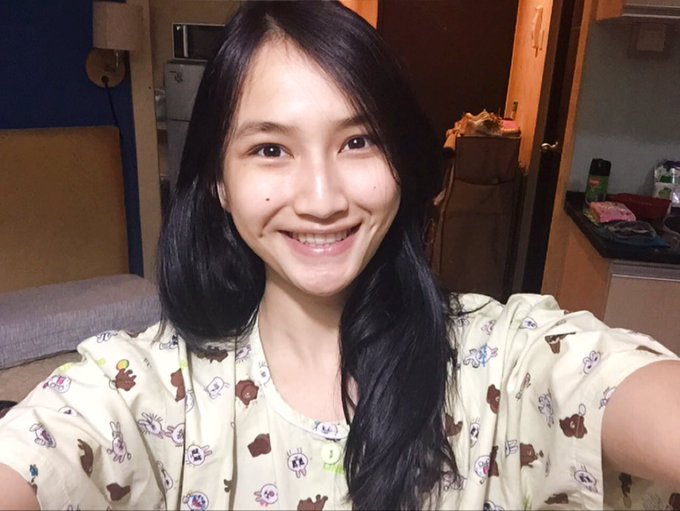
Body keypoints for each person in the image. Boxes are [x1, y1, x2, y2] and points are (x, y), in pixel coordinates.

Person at [1, 2, 679, 510]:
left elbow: (601, 382)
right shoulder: (147, 389)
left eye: (359, 141)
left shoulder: (500, 360)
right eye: (270, 149)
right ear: (219, 182)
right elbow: (44, 450)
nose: (322, 199)